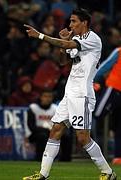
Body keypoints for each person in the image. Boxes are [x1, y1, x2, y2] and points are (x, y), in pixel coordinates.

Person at [23, 8, 117, 180]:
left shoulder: (93, 39)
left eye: (74, 21)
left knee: (83, 138)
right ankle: (43, 174)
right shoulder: (75, 38)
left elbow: (66, 45)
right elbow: (63, 61)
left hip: (83, 94)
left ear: (85, 23)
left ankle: (108, 173)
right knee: (55, 130)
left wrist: (41, 36)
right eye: (70, 21)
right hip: (69, 94)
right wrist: (64, 45)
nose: (70, 24)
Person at [27, 89, 72, 161]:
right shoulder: (33, 108)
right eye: (45, 96)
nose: (47, 99)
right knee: (42, 136)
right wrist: (45, 130)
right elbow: (31, 126)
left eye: (50, 97)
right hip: (36, 133)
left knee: (66, 136)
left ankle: (65, 159)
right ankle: (39, 159)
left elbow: (61, 123)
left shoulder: (55, 108)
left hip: (52, 132)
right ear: (41, 97)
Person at [94, 47, 121, 165]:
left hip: (114, 88)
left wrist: (91, 80)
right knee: (119, 126)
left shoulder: (119, 51)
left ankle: (118, 157)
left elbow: (104, 67)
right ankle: (118, 157)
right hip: (115, 88)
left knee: (97, 113)